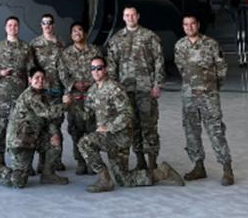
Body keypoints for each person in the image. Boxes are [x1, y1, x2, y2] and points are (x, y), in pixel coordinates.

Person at [78, 56, 184, 193]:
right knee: (125, 179)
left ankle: (105, 180)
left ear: (106, 69)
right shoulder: (92, 91)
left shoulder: (114, 88)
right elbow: (86, 113)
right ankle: (162, 173)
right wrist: (69, 104)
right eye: (93, 68)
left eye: (99, 68)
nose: (96, 71)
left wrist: (109, 127)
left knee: (84, 143)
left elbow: (127, 113)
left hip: (119, 137)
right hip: (109, 138)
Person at [0, 68, 70, 188]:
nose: (40, 81)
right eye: (36, 78)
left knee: (54, 142)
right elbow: (47, 113)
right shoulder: (30, 95)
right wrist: (66, 104)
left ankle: (48, 174)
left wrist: (54, 134)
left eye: (43, 78)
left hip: (34, 136)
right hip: (20, 141)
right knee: (18, 182)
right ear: (29, 80)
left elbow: (49, 120)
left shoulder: (44, 95)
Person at [173, 14, 234, 186]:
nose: (189, 27)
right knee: (191, 131)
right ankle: (198, 166)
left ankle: (227, 168)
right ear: (183, 27)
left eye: (192, 24)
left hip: (209, 95)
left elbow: (221, 68)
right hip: (188, 95)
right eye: (186, 25)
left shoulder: (211, 44)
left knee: (216, 130)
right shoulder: (180, 46)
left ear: (198, 25)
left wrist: (213, 87)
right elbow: (181, 69)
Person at [105, 6, 165, 172]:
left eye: (133, 15)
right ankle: (140, 161)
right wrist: (114, 90)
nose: (130, 17)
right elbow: (111, 66)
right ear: (123, 18)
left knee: (149, 125)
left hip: (146, 89)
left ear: (138, 16)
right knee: (132, 127)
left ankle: (152, 162)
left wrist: (157, 84)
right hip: (125, 92)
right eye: (127, 15)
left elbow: (159, 60)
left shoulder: (149, 36)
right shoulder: (116, 39)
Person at [57, 21, 102, 174]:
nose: (77, 33)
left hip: (92, 96)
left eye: (80, 30)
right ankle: (80, 161)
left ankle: (92, 161)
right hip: (75, 97)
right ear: (71, 35)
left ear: (85, 33)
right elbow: (62, 73)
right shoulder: (66, 53)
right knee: (76, 130)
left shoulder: (95, 51)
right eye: (74, 31)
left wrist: (91, 84)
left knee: (92, 128)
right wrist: (74, 84)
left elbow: (102, 70)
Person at [0, 16, 33, 165]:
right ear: (5, 28)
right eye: (10, 25)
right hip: (3, 96)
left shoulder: (26, 48)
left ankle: (22, 162)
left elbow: (31, 70)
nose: (13, 28)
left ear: (19, 28)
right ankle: (0, 159)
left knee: (22, 129)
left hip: (21, 96)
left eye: (15, 25)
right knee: (0, 128)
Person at [30, 13, 65, 171]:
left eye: (50, 23)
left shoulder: (61, 44)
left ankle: (56, 160)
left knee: (56, 124)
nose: (47, 26)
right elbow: (31, 68)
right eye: (44, 23)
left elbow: (64, 68)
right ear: (41, 25)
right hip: (41, 90)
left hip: (56, 89)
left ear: (53, 25)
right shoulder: (35, 44)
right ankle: (42, 161)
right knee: (41, 125)